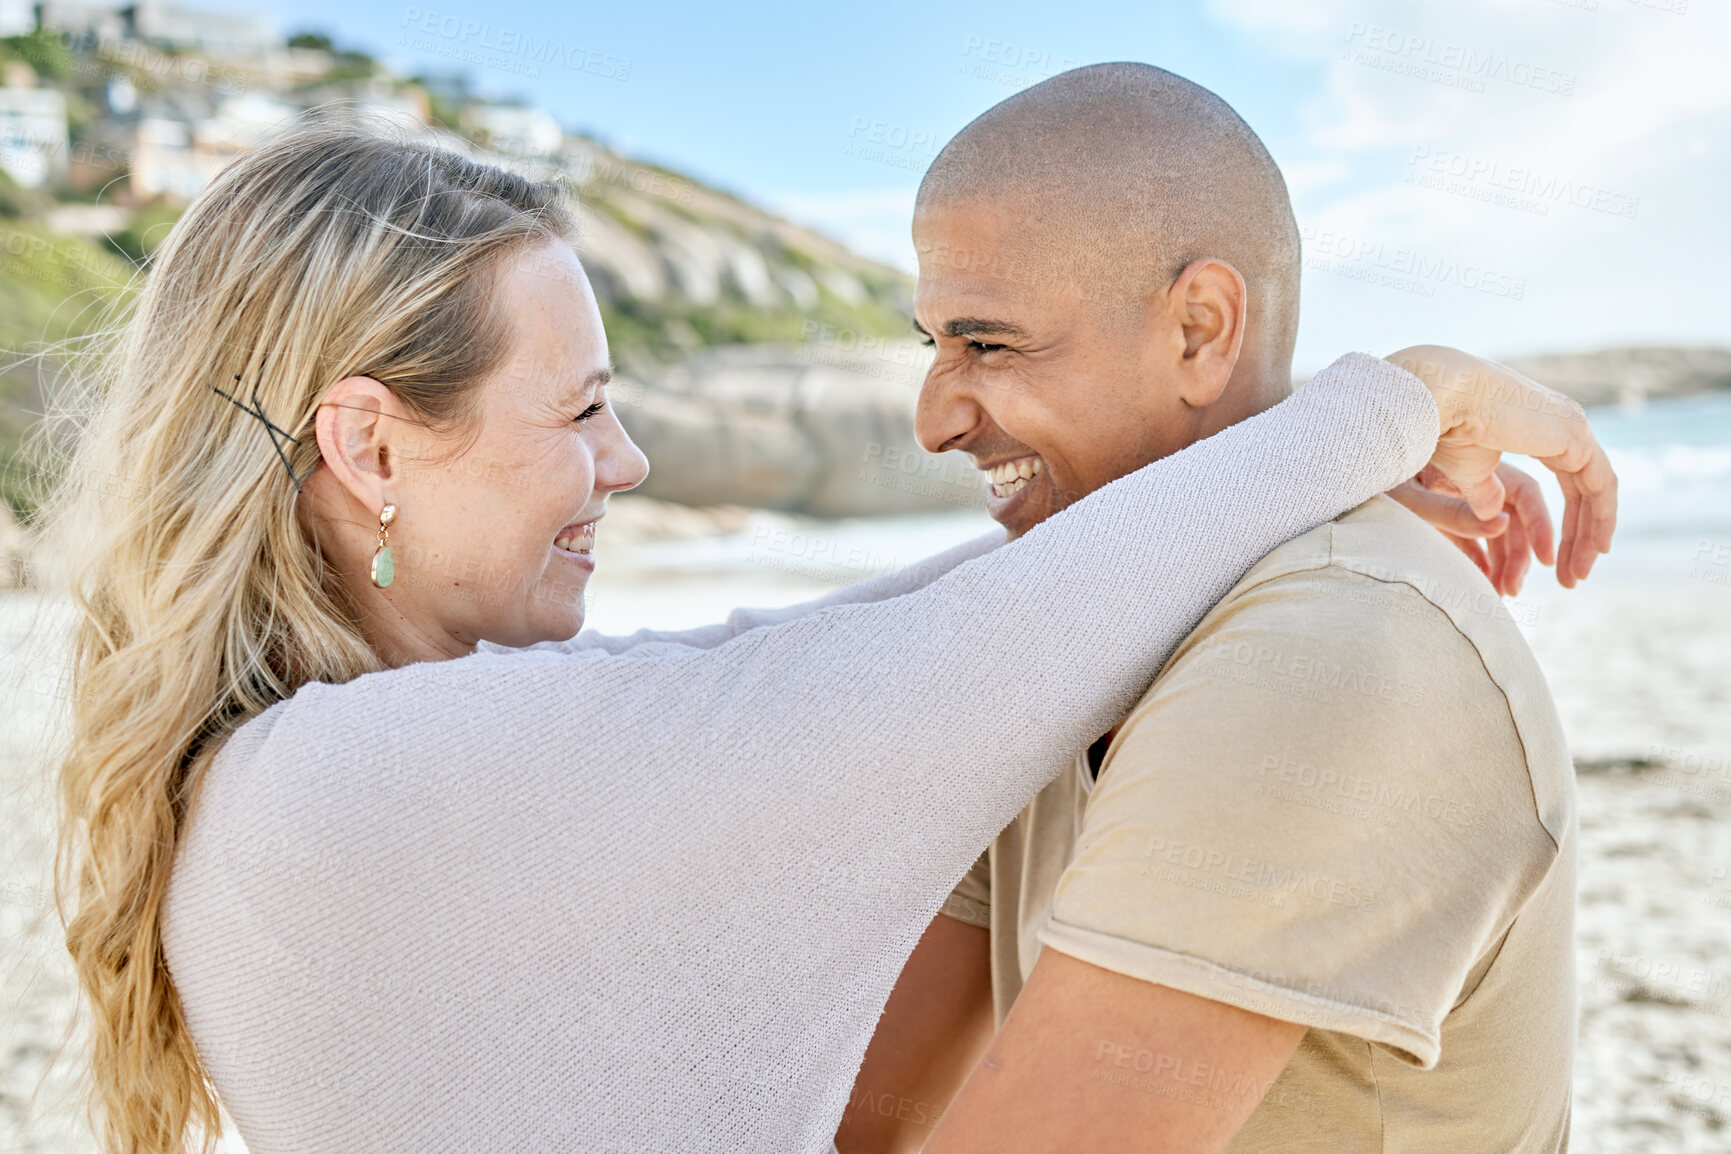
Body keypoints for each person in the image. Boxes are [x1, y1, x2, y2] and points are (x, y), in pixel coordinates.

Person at [45, 125, 1613, 1154]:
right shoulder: (349, 792)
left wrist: (1292, 464)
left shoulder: (303, 776)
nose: (627, 461)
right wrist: (1392, 400)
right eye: (582, 410)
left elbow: (874, 640)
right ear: (372, 447)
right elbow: (933, 665)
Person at [839, 64, 1603, 1154]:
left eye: (989, 343)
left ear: (1200, 329)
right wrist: (1391, 408)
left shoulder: (1329, 651)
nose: (935, 417)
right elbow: (853, 1120)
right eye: (935, 344)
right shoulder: (1079, 613)